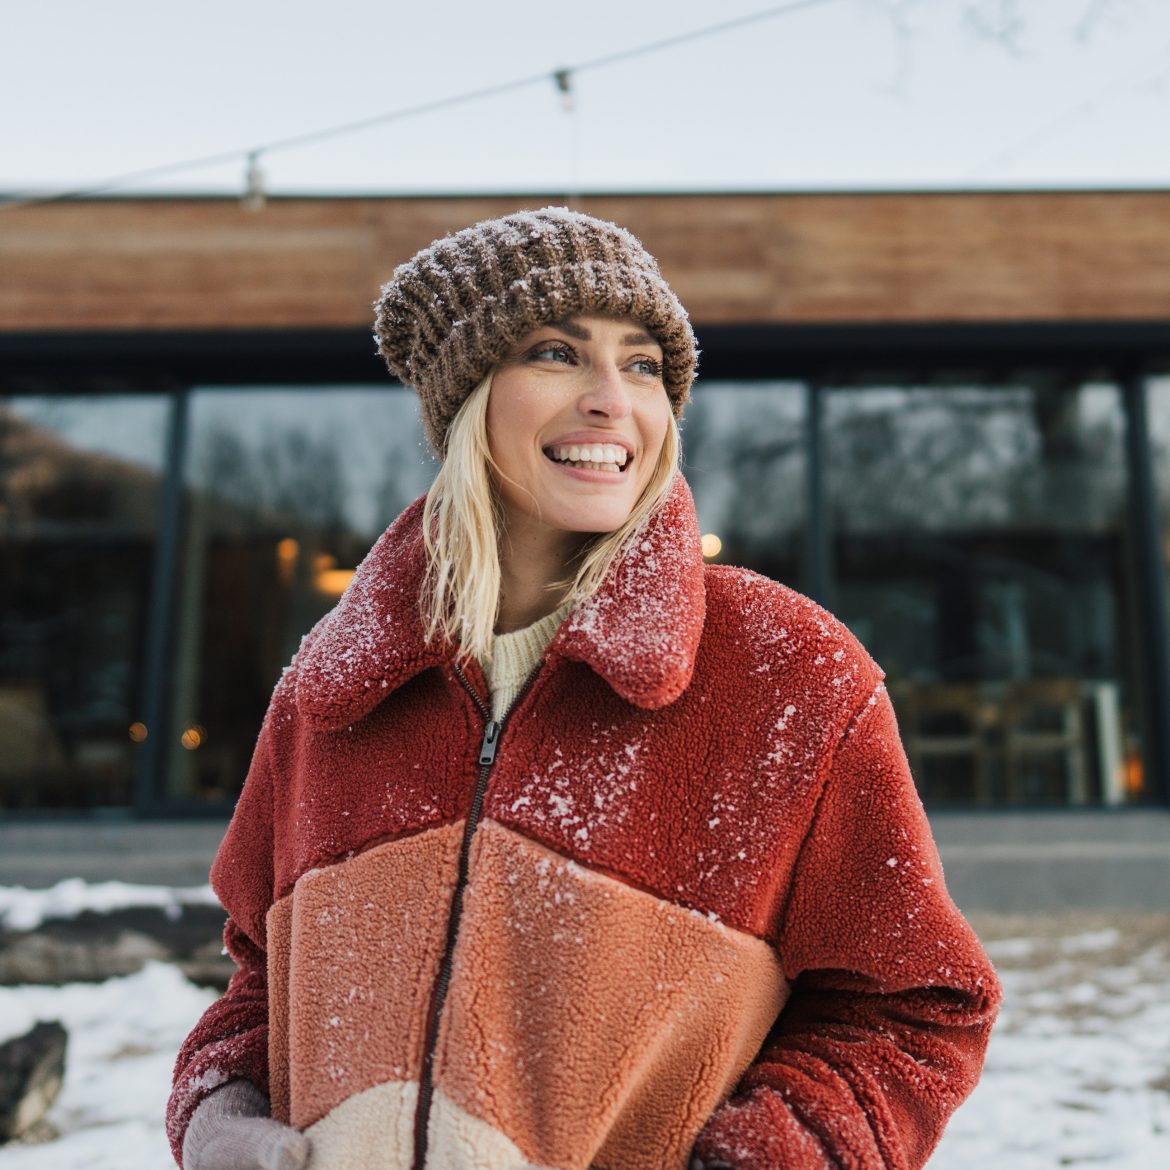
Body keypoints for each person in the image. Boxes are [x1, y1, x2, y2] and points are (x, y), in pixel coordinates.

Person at [168, 207, 1000, 1170]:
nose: (614, 400)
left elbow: (912, 1009)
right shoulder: (331, 692)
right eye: (557, 353)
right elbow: (260, 981)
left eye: (643, 364)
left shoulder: (785, 672)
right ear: (468, 397)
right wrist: (219, 1114)